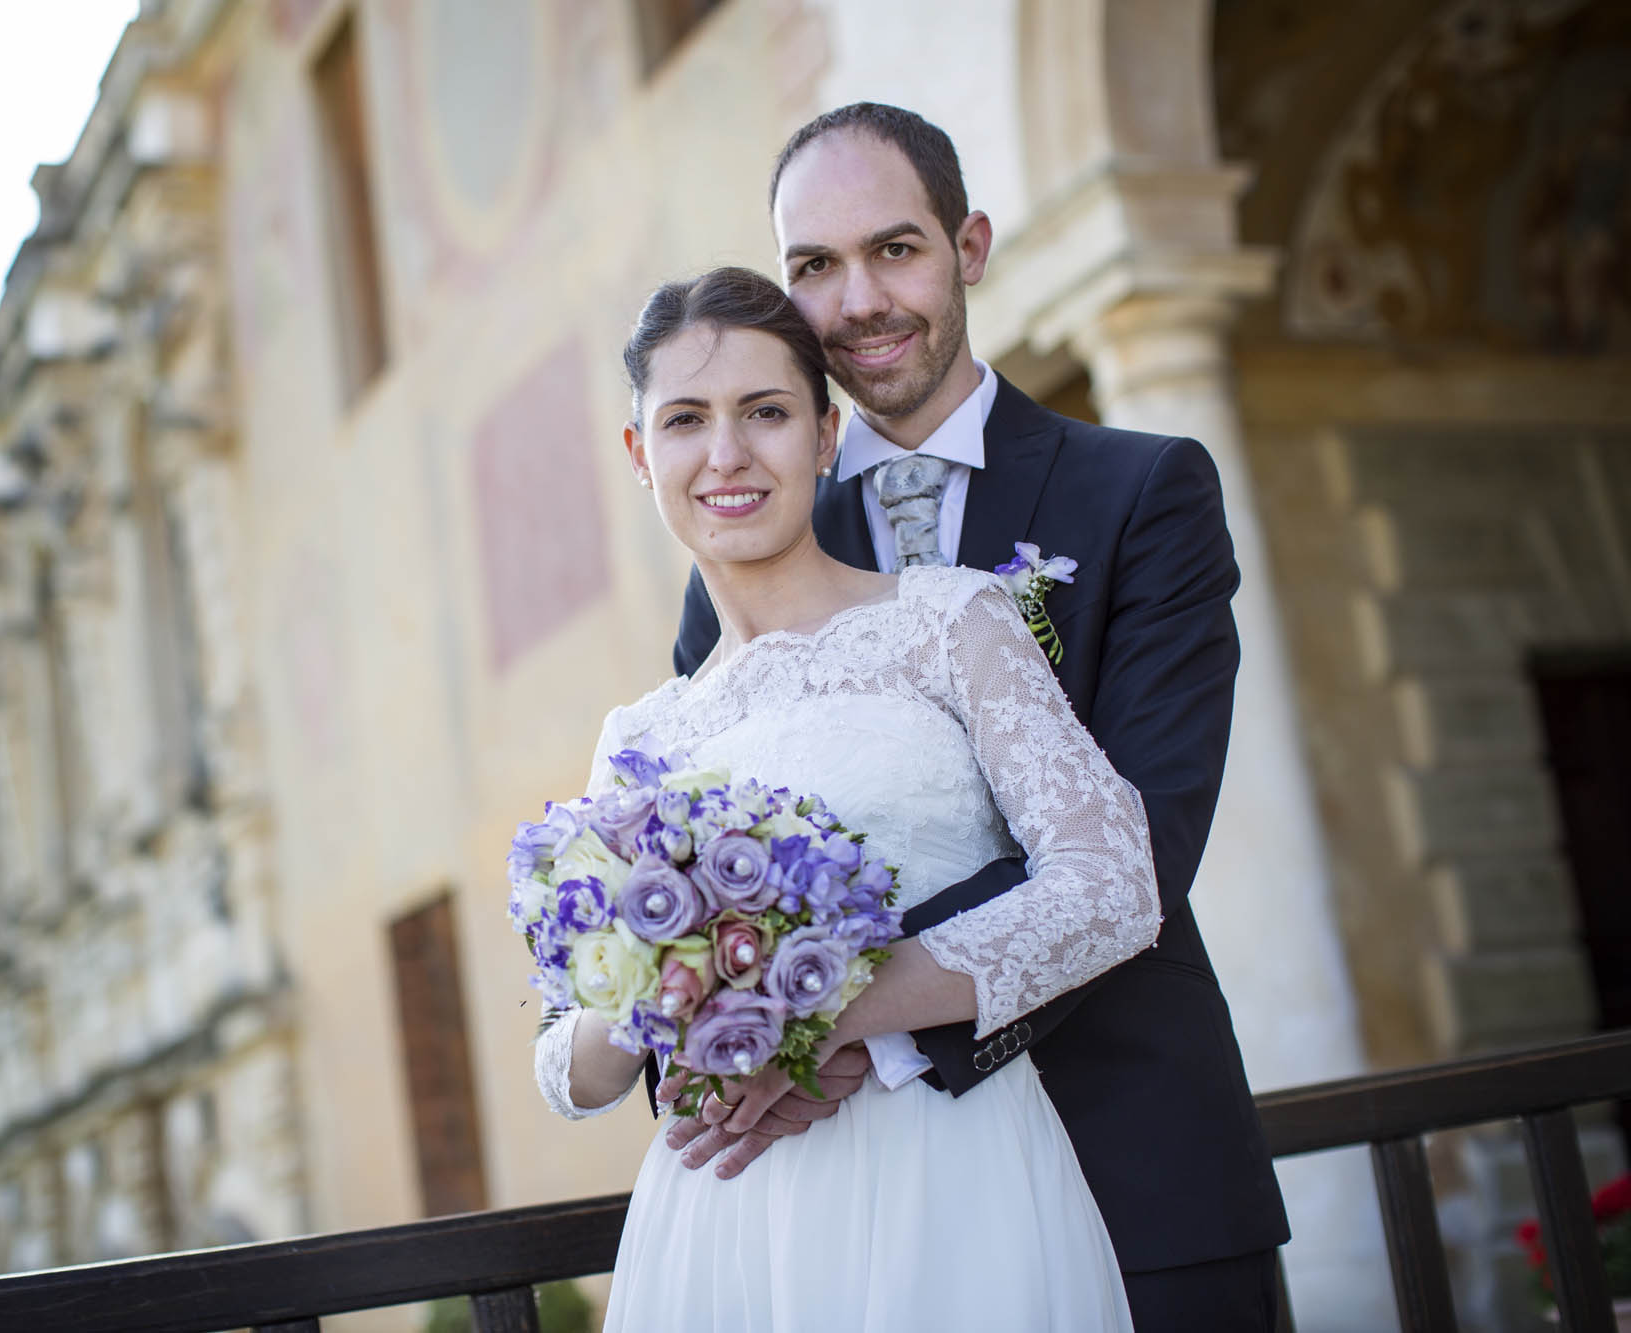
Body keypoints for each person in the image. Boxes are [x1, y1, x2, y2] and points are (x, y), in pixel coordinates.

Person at [663, 104, 1291, 1329]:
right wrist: (728, 1032)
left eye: (893, 249)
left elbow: (1140, 848)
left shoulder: (1141, 493)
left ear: (970, 248)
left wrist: (835, 1013)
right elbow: (700, 866)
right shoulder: (737, 561)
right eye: (813, 267)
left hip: (1131, 1158)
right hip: (864, 1208)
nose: (855, 301)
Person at [533, 265, 1155, 1329]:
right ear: (641, 457)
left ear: (825, 437)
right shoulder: (638, 739)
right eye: (684, 420)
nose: (724, 454)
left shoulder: (949, 624)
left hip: (946, 1173)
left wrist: (815, 1008)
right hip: (725, 1217)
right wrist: (672, 985)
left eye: (764, 412)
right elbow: (569, 1063)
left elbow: (1112, 888)